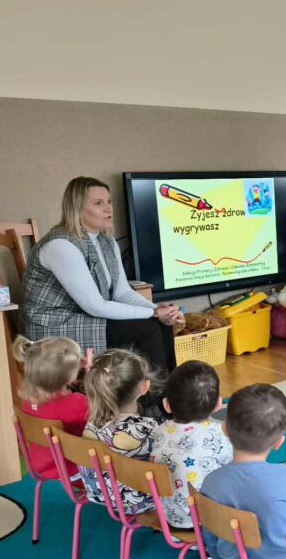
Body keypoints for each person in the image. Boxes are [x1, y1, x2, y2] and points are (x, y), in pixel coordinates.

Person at [20, 176, 182, 370]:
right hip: (53, 326)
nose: (108, 209)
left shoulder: (106, 241)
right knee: (148, 329)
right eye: (98, 203)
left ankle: (171, 395)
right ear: (77, 209)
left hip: (85, 316)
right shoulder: (61, 246)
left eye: (109, 202)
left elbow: (122, 292)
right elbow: (96, 306)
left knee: (162, 324)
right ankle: (151, 398)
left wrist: (157, 311)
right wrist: (153, 313)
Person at [199, 384, 286, 559]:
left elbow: (209, 530)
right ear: (279, 443)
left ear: (224, 429)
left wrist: (216, 558)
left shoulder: (211, 483)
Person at [149, 361, 232, 529]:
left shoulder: (158, 432)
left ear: (166, 405)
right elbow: (233, 466)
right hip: (208, 521)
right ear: (218, 404)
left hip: (170, 518)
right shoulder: (220, 434)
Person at [79, 349, 158, 516]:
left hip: (99, 494)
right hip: (139, 502)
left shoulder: (91, 423)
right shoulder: (149, 430)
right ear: (144, 387)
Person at [13, 336, 89, 480]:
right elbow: (101, 410)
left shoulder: (28, 400)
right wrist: (89, 374)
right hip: (70, 469)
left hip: (39, 464)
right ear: (68, 378)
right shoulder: (78, 403)